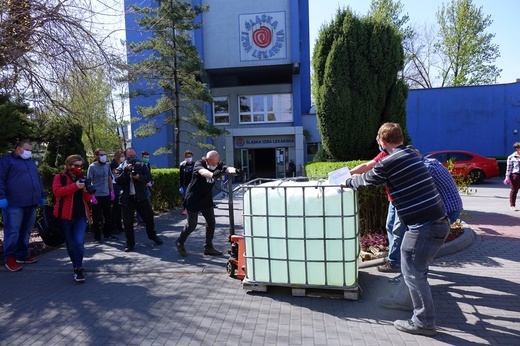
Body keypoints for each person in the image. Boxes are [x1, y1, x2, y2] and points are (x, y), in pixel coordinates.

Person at [343, 123, 449, 336]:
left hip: (424, 227)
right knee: (415, 270)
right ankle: (403, 301)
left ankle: (424, 322)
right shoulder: (412, 153)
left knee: (413, 272)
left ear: (382, 141)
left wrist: (345, 181)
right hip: (438, 222)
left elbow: (364, 180)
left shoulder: (388, 162)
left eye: (378, 141)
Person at [377, 145, 463, 312]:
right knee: (416, 256)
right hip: (446, 211)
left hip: (441, 214)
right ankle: (407, 291)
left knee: (415, 257)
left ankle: (408, 302)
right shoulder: (429, 163)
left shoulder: (425, 169)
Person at [350, 145, 403, 274]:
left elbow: (373, 176)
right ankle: (394, 259)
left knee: (398, 231)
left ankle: (396, 262)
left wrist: (353, 180)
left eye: (378, 140)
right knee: (390, 227)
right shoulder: (384, 154)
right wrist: (349, 173)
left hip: (401, 200)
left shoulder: (396, 156)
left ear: (383, 141)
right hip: (393, 199)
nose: (377, 143)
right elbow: (368, 165)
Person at [175, 150, 239, 257]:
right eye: (212, 163)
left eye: (216, 163)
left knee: (211, 223)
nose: (214, 165)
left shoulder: (218, 164)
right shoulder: (199, 164)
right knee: (192, 225)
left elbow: (226, 168)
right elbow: (204, 173)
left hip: (206, 200)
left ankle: (208, 247)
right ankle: (179, 242)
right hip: (193, 199)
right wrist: (213, 174)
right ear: (206, 159)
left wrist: (234, 170)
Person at [0, 140, 46, 272]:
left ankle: (22, 254)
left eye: (31, 150)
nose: (29, 152)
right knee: (12, 231)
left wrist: (42, 195)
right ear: (18, 149)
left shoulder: (30, 162)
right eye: (27, 150)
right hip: (13, 204)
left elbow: (37, 179)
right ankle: (9, 257)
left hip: (31, 202)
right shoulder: (6, 161)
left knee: (26, 231)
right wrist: (1, 197)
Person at [52, 155, 92, 282]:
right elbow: (57, 192)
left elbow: (87, 199)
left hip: (80, 216)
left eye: (80, 166)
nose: (78, 168)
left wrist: (86, 190)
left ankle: (78, 268)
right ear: (68, 165)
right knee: (70, 245)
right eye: (75, 165)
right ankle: (76, 265)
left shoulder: (83, 178)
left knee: (79, 243)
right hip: (65, 217)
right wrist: (75, 186)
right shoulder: (60, 177)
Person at [115, 148, 163, 252]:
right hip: (127, 199)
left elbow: (148, 177)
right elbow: (118, 181)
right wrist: (126, 172)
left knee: (149, 218)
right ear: (125, 156)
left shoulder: (141, 165)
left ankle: (152, 236)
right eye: (130, 156)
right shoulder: (121, 167)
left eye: (134, 155)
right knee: (128, 223)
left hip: (141, 197)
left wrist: (139, 177)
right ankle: (130, 243)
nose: (132, 157)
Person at [87, 148, 116, 243]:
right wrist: (91, 195)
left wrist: (112, 191)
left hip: (106, 194)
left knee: (108, 216)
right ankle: (97, 237)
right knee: (97, 217)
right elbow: (89, 182)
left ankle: (107, 234)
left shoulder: (107, 166)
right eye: (101, 154)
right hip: (96, 195)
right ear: (96, 156)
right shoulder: (92, 167)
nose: (103, 156)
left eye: (104, 154)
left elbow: (109, 179)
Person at [110, 149, 125, 234]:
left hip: (120, 185)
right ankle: (114, 226)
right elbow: (115, 173)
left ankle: (119, 225)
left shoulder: (123, 164)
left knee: (119, 208)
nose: (122, 158)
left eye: (123, 156)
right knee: (115, 208)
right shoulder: (113, 164)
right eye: (121, 156)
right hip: (115, 185)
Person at [504, 142, 520, 211]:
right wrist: (507, 177)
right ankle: (512, 205)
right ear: (516, 148)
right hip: (515, 175)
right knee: (514, 190)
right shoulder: (511, 157)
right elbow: (509, 168)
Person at [179, 149, 195, 215]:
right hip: (185, 184)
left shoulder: (195, 165)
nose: (189, 158)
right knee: (186, 197)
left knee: (193, 197)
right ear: (185, 157)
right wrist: (180, 185)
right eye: (187, 157)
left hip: (193, 184)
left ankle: (193, 209)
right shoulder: (182, 165)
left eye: (190, 156)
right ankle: (185, 209)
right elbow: (181, 176)